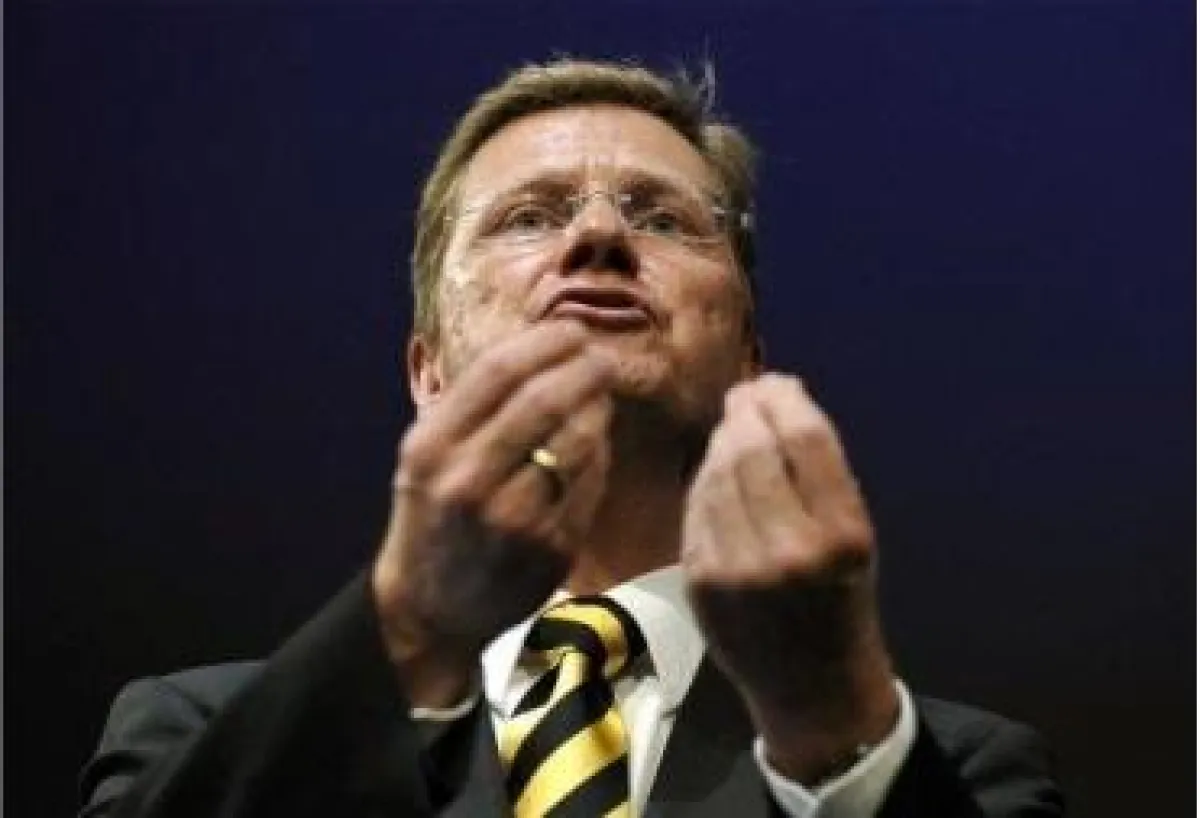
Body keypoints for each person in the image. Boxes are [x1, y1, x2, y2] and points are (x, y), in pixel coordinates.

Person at [79, 58, 1064, 818]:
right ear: (428, 370)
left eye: (664, 218)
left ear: (748, 360)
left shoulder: (946, 766)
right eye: (528, 216)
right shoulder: (198, 732)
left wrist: (834, 725)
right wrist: (407, 631)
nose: (599, 236)